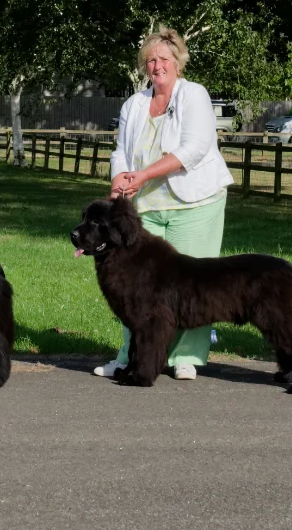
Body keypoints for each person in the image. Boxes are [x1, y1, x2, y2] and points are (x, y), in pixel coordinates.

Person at [93, 26, 236, 381]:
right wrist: (119, 178)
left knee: (192, 284)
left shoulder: (195, 95)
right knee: (134, 289)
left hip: (195, 202)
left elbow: (194, 148)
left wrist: (143, 175)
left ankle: (185, 357)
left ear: (178, 62)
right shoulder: (134, 104)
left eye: (164, 60)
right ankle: (130, 356)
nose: (157, 66)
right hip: (146, 208)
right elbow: (122, 152)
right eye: (151, 60)